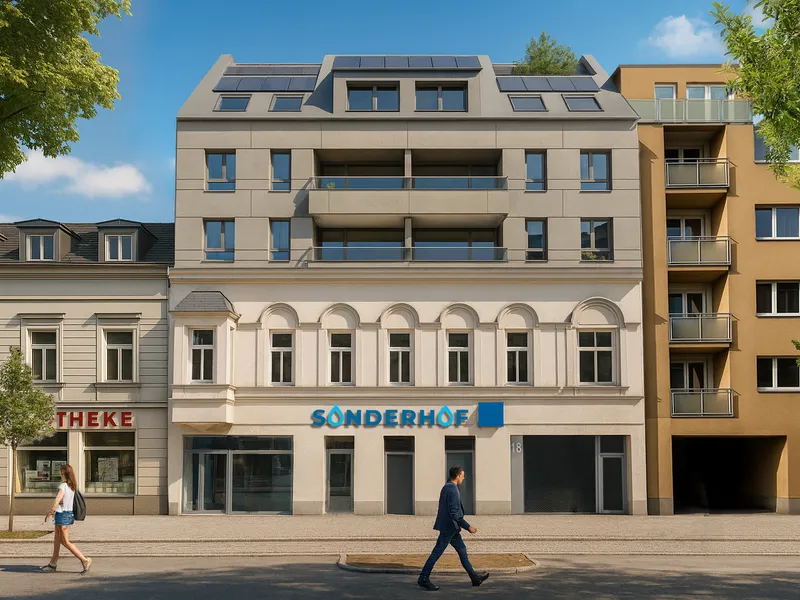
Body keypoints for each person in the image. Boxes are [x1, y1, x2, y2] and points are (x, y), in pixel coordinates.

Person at [417, 465, 489, 591]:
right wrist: (468, 527)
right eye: (463, 475)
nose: (464, 478)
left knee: (462, 551)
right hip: (449, 528)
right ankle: (423, 577)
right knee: (436, 553)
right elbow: (454, 513)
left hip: (452, 528)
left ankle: (475, 578)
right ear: (458, 475)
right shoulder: (452, 489)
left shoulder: (447, 487)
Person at [39, 464, 92, 575]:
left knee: (64, 541)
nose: (60, 474)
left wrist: (51, 511)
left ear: (64, 474)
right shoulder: (71, 486)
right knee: (57, 539)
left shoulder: (63, 486)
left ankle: (84, 560)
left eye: (61, 473)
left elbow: (58, 499)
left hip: (62, 515)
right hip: (66, 514)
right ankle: (53, 563)